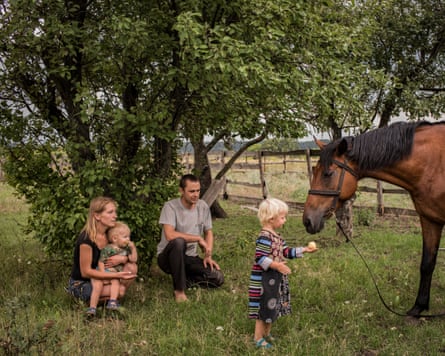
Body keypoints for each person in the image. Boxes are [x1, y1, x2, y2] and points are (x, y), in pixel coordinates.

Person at [248, 198, 317, 349]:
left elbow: (286, 252)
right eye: (282, 217)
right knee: (262, 308)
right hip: (264, 280)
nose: (285, 220)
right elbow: (260, 258)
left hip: (274, 279)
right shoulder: (265, 237)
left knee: (271, 305)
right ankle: (258, 337)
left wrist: (304, 249)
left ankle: (267, 334)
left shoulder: (277, 236)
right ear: (271, 218)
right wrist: (277, 265)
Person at [157, 174, 224, 302]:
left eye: (198, 191)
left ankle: (185, 279)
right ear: (181, 191)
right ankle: (179, 291)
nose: (196, 194)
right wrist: (197, 238)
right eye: (191, 191)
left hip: (189, 257)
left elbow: (208, 232)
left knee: (217, 277)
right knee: (178, 242)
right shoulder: (170, 207)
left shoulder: (202, 206)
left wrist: (208, 255)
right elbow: (170, 235)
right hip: (168, 258)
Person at [66, 197, 137, 314]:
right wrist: (115, 276)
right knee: (120, 290)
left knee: (132, 267)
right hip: (82, 283)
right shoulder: (86, 239)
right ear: (97, 216)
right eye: (110, 212)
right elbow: (85, 272)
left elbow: (126, 252)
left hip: (103, 277)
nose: (115, 216)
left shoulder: (110, 234)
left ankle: (105, 300)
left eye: (115, 212)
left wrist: (124, 258)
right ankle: (89, 302)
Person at [87, 221, 138, 316]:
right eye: (125, 237)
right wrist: (103, 274)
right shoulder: (108, 249)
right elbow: (101, 262)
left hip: (113, 275)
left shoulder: (126, 250)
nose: (128, 239)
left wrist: (133, 248)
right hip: (102, 272)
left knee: (116, 282)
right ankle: (92, 308)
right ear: (115, 238)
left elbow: (133, 259)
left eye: (129, 236)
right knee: (97, 286)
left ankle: (112, 302)